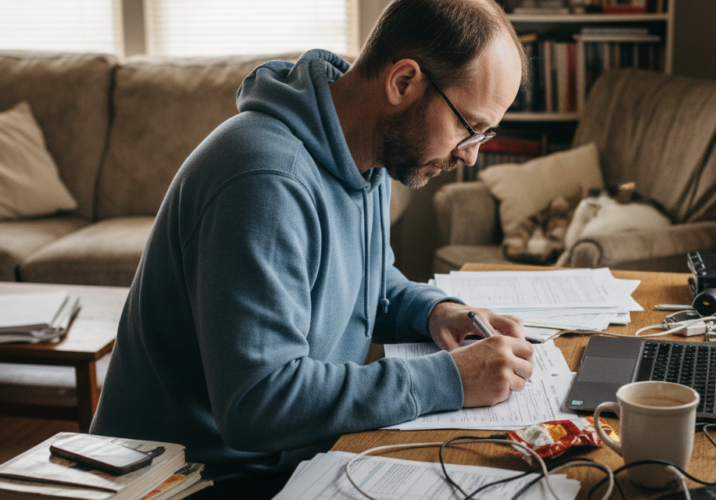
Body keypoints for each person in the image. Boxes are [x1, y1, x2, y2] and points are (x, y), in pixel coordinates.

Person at [91, 0, 532, 496]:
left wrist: (441, 313)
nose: (470, 154)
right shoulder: (264, 180)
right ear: (403, 82)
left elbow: (369, 283)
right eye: (468, 127)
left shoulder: (368, 155)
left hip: (290, 458)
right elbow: (258, 404)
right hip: (188, 480)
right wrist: (447, 379)